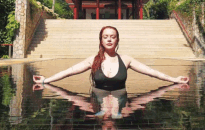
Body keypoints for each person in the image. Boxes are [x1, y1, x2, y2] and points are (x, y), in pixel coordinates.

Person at [33, 26, 189, 88]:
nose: (109, 39)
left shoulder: (126, 60)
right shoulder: (92, 60)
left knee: (119, 113)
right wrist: (46, 80)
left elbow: (151, 72)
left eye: (112, 36)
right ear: (101, 40)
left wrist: (174, 79)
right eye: (105, 36)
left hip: (121, 98)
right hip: (96, 99)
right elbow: (69, 71)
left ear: (117, 40)